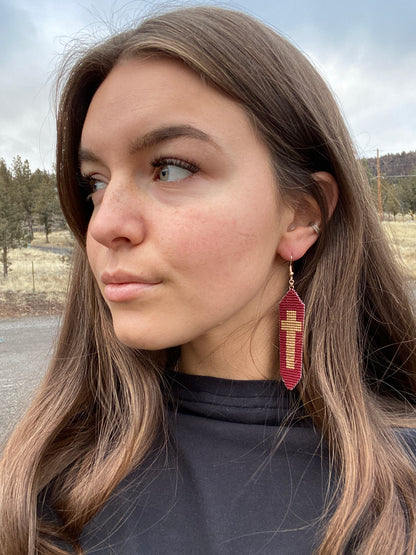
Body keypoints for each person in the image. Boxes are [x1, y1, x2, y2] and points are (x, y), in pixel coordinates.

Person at [1, 6, 416, 554]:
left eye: (170, 168)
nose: (102, 225)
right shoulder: (48, 475)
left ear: (299, 215)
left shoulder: (398, 489)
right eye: (94, 182)